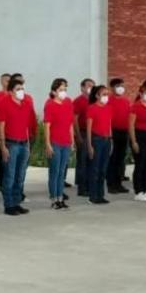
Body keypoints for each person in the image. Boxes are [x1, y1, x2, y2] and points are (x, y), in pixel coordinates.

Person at [0, 74, 35, 216]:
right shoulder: (4, 103)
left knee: (20, 176)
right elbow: (1, 126)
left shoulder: (26, 104)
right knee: (10, 175)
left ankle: (17, 202)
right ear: (11, 91)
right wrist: (3, 146)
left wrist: (28, 144)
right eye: (18, 89)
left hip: (24, 143)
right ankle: (9, 205)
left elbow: (27, 127)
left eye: (22, 88)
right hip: (11, 143)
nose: (21, 91)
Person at [44, 78, 74, 210]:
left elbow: (70, 124)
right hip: (55, 142)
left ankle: (60, 197)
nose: (63, 92)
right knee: (54, 171)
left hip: (66, 142)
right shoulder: (50, 105)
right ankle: (54, 199)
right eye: (61, 90)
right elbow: (47, 126)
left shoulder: (68, 103)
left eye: (65, 90)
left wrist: (72, 141)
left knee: (62, 172)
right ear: (54, 91)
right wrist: (48, 144)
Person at [86, 84, 113, 205]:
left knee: (103, 169)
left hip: (106, 140)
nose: (106, 97)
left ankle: (101, 194)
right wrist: (89, 145)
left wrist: (111, 140)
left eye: (107, 94)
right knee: (95, 169)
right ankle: (93, 195)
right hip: (96, 140)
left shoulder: (108, 108)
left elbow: (109, 125)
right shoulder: (92, 108)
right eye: (103, 94)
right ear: (97, 96)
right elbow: (88, 128)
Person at [106, 77, 132, 194]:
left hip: (124, 132)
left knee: (121, 159)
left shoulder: (126, 101)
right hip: (113, 132)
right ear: (112, 88)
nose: (121, 88)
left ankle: (119, 183)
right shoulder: (108, 101)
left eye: (122, 86)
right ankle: (111, 184)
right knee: (113, 159)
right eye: (118, 86)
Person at [73, 78, 94, 196]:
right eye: (88, 85)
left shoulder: (94, 101)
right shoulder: (78, 101)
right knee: (83, 161)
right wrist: (78, 135)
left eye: (92, 86)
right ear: (82, 88)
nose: (90, 88)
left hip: (93, 133)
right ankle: (82, 188)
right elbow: (74, 119)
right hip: (83, 132)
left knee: (91, 161)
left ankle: (89, 185)